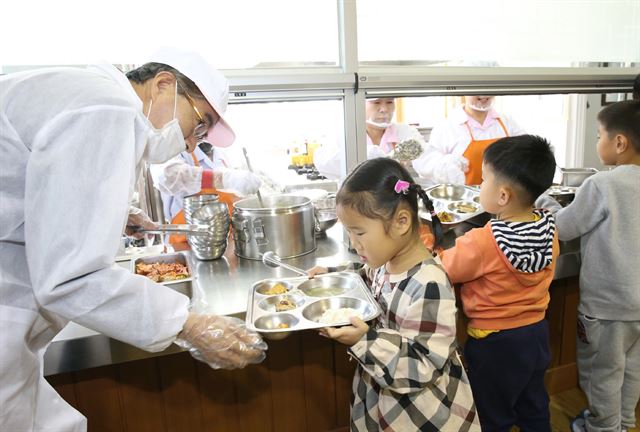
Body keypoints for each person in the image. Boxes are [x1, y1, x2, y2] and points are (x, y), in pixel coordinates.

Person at [0, 47, 267, 431]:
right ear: (163, 85)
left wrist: (113, 215)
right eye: (200, 125)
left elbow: (31, 189)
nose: (193, 145)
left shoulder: (89, 96)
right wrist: (186, 324)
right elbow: (72, 278)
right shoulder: (107, 110)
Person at [308, 158, 480, 431]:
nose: (354, 243)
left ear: (401, 222)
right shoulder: (383, 262)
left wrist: (364, 340)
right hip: (382, 393)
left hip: (420, 413)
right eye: (349, 233)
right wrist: (333, 273)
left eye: (359, 232)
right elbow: (364, 276)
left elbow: (421, 366)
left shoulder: (429, 285)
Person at [439, 135, 559, 431]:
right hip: (536, 334)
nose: (479, 186)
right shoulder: (547, 229)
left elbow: (445, 269)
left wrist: (436, 250)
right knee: (533, 406)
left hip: (495, 342)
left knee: (492, 413)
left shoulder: (483, 241)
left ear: (503, 196)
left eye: (483, 180)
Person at [538, 100, 640, 432]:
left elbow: (565, 227)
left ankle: (602, 428)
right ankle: (624, 424)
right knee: (632, 371)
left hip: (606, 307)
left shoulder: (602, 185)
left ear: (620, 143)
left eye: (599, 135)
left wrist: (543, 200)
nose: (597, 142)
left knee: (602, 374)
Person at [413, 95, 526, 185]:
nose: (484, 94)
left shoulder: (507, 122)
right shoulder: (447, 126)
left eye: (489, 85)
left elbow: (527, 152)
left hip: (505, 201)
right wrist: (444, 165)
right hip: (465, 205)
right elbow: (425, 163)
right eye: (477, 87)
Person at [313, 98, 426, 180]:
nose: (384, 109)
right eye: (376, 102)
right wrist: (371, 156)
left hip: (394, 202)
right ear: (360, 104)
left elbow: (423, 154)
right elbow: (323, 162)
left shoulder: (404, 131)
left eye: (390, 102)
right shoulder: (344, 134)